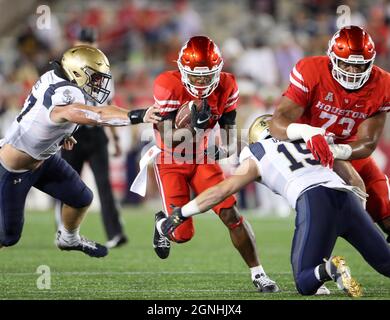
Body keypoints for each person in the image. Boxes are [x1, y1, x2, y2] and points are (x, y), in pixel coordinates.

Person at [156, 115, 390, 297]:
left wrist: (182, 212)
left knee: (304, 282)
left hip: (314, 201)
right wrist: (359, 216)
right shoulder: (310, 139)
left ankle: (329, 270)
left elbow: (222, 191)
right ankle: (327, 266)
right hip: (348, 199)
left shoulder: (257, 154)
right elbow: (355, 181)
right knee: (386, 263)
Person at [0, 45, 160, 256]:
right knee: (7, 236)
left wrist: (61, 135)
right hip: (13, 168)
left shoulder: (54, 76)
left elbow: (42, 116)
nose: (98, 83)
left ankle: (69, 238)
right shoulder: (68, 92)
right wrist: (139, 115)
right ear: (76, 73)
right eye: (94, 77)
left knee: (81, 198)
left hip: (42, 159)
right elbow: (97, 115)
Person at [151, 36, 279, 293]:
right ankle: (161, 224)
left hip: (203, 159)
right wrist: (193, 129)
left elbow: (231, 137)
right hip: (171, 159)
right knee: (182, 235)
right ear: (182, 69)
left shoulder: (228, 84)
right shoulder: (167, 84)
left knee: (231, 214)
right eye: (196, 77)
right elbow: (167, 137)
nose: (201, 82)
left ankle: (258, 273)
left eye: (207, 76)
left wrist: (219, 149)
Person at [267, 25, 390, 242]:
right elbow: (277, 123)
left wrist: (333, 150)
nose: (352, 71)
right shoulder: (311, 70)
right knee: (323, 220)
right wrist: (306, 132)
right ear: (332, 58)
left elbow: (367, 143)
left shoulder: (383, 84)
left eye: (359, 66)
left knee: (385, 209)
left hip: (347, 150)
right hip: (307, 149)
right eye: (346, 63)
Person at [55, 27, 127, 249]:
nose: (88, 45)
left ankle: (115, 233)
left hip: (96, 131)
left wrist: (114, 138)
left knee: (104, 185)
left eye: (90, 41)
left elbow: (107, 106)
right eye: (84, 41)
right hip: (72, 132)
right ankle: (63, 230)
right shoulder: (67, 69)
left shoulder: (102, 68)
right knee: (67, 183)